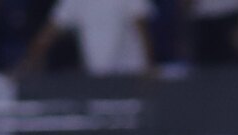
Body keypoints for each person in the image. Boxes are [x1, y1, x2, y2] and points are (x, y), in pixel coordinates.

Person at [16, 0, 156, 77]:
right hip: (98, 79)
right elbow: (48, 34)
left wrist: (149, 68)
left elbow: (141, 27)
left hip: (131, 76)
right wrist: (28, 64)